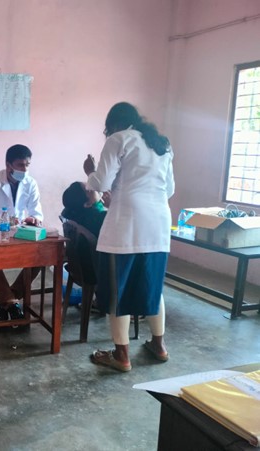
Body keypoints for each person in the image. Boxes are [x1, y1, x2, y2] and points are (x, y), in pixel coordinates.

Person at [84, 101, 174, 372]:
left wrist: (90, 170)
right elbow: (169, 188)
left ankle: (121, 355)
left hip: (126, 225)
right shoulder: (162, 144)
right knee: (153, 285)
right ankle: (158, 346)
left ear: (112, 124)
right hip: (158, 223)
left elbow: (100, 184)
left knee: (117, 288)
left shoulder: (118, 139)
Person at [0, 144, 44, 324]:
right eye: (21, 165)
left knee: (40, 258)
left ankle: (6, 301)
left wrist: (34, 220)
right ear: (8, 165)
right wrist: (4, 220)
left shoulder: (31, 183)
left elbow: (37, 213)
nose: (25, 169)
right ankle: (11, 302)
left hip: (23, 235)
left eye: (28, 165)